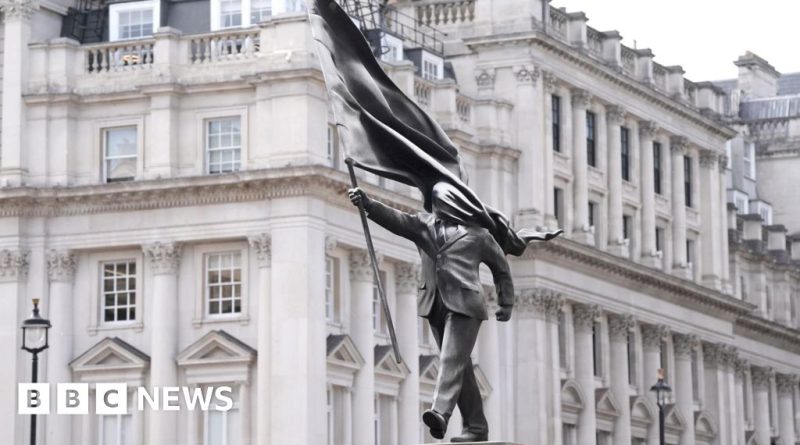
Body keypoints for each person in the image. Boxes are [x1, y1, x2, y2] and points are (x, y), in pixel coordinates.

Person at [348, 182, 514, 442]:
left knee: (450, 359)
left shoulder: (478, 235)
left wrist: (506, 302)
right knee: (462, 367)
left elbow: (501, 268)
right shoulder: (423, 225)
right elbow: (397, 219)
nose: (439, 207)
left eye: (443, 202)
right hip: (434, 303)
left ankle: (440, 414)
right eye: (437, 203)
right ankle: (477, 427)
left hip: (466, 305)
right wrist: (368, 204)